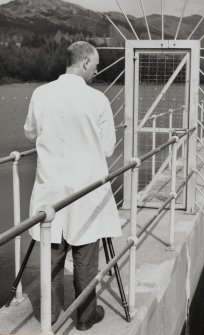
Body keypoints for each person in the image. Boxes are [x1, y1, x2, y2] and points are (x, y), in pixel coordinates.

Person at [24, 41, 122, 331]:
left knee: (52, 258)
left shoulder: (40, 94)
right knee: (85, 259)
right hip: (86, 191)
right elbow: (107, 149)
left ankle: (51, 316)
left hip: (50, 192)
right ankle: (85, 316)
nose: (97, 69)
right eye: (95, 64)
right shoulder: (98, 100)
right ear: (83, 63)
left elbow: (30, 133)